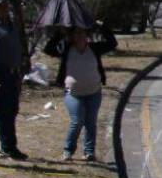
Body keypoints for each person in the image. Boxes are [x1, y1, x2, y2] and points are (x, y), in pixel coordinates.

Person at [49, 25, 116, 162]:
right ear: (72, 36)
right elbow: (48, 49)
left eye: (82, 33)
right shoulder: (66, 49)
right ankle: (68, 151)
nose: (79, 36)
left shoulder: (94, 48)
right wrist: (60, 34)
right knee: (77, 121)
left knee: (91, 123)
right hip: (73, 94)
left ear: (87, 34)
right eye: (76, 33)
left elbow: (112, 43)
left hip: (94, 93)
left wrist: (101, 26)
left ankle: (89, 152)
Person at [0, 0, 27, 161]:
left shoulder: (12, 25)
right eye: (0, 7)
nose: (4, 9)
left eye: (5, 6)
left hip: (14, 74)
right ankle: (7, 147)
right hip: (1, 75)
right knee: (3, 113)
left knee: (12, 111)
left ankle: (10, 146)